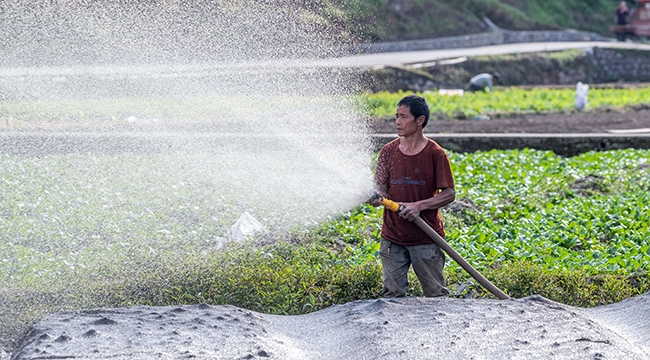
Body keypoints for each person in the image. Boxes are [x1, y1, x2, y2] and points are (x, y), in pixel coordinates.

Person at [369, 94, 456, 298]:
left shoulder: (436, 153)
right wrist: (377, 196)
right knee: (392, 297)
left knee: (435, 295)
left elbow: (449, 194)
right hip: (392, 238)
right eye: (396, 116)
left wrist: (418, 206)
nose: (398, 122)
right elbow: (381, 186)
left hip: (426, 237)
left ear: (420, 121)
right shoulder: (388, 151)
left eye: (403, 117)